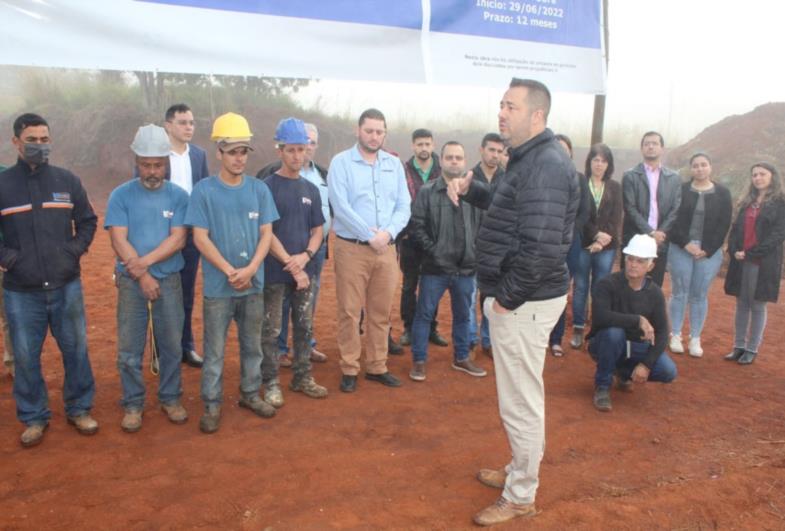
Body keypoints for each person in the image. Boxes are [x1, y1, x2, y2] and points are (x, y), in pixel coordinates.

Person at [448, 79, 579, 526]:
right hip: (524, 298)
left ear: (536, 116)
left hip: (526, 301)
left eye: (511, 106)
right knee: (521, 396)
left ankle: (521, 493)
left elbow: (542, 249)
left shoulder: (545, 163)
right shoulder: (526, 158)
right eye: (500, 104)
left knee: (520, 402)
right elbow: (516, 212)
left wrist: (505, 300)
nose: (501, 113)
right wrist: (474, 191)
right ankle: (518, 468)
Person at [0, 113, 98, 447]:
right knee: (26, 356)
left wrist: (72, 252)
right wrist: (10, 260)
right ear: (16, 142)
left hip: (65, 285)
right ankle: (33, 416)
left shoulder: (67, 181)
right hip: (20, 292)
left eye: (44, 140)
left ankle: (79, 408)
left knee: (76, 350)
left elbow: (87, 221)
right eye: (32, 140)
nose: (39, 146)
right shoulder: (3, 185)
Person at [185, 112, 279, 434]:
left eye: (243, 152)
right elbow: (199, 237)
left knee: (252, 345)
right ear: (219, 152)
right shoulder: (203, 191)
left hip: (252, 284)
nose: (239, 159)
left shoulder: (258, 190)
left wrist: (251, 268)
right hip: (219, 287)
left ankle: (251, 394)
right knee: (214, 350)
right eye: (233, 152)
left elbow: (266, 233)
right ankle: (211, 404)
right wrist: (229, 270)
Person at [105, 124, 190, 432]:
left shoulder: (179, 197)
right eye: (146, 165)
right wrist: (141, 275)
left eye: (158, 164)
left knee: (170, 344)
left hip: (167, 280)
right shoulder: (120, 196)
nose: (153, 171)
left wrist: (145, 267)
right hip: (131, 283)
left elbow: (178, 239)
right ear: (136, 161)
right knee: (129, 348)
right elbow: (118, 239)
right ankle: (133, 403)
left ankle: (170, 397)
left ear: (166, 162)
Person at [328, 108, 410, 393]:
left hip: (386, 249)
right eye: (369, 130)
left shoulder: (393, 165)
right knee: (349, 311)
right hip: (352, 248)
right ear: (358, 130)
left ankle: (377, 365)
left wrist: (388, 233)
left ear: (384, 133)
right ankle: (350, 367)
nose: (374, 136)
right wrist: (368, 235)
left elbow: (404, 205)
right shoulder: (341, 163)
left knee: (381, 312)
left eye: (379, 131)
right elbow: (340, 206)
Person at [260, 118, 328, 407]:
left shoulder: (311, 190)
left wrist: (306, 257)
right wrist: (291, 262)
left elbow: (317, 232)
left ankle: (302, 377)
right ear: (280, 150)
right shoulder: (266, 188)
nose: (297, 156)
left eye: (302, 149)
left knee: (304, 326)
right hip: (276, 273)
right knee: (272, 330)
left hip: (306, 272)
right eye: (291, 150)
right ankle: (271, 382)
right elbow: (266, 233)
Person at [408, 141, 487, 382]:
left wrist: (474, 252)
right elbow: (417, 227)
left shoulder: (476, 192)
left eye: (459, 158)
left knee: (464, 315)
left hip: (466, 269)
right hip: (435, 269)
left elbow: (484, 227)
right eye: (449, 157)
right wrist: (435, 252)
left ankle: (461, 357)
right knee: (424, 314)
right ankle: (419, 361)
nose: (454, 161)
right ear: (440, 161)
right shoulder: (427, 192)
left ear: (465, 162)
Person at [587, 234, 677, 412]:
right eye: (630, 259)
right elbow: (600, 317)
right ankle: (603, 386)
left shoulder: (655, 293)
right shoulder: (607, 284)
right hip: (605, 342)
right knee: (614, 333)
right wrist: (637, 320)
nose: (633, 264)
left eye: (641, 261)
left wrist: (646, 364)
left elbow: (662, 333)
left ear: (651, 266)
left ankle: (621, 372)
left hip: (635, 347)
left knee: (668, 371)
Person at [667, 153, 732, 357]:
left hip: (708, 252)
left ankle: (695, 338)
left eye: (704, 165)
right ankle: (675, 334)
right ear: (690, 169)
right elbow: (672, 219)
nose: (700, 169)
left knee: (699, 295)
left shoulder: (722, 193)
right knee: (680, 292)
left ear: (710, 167)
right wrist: (686, 244)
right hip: (681, 248)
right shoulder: (681, 190)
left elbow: (724, 224)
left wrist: (708, 249)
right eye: (695, 165)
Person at [563, 143, 622, 353]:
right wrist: (594, 236)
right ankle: (578, 329)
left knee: (600, 288)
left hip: (606, 246)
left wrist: (603, 239)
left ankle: (596, 330)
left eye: (603, 161)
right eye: (595, 160)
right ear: (589, 162)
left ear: (609, 164)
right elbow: (581, 215)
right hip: (583, 243)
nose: (599, 164)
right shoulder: (581, 183)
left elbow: (616, 217)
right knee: (580, 287)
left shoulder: (615, 187)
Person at [724, 162, 785, 365]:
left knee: (758, 304)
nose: (757, 178)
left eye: (762, 174)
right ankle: (738, 346)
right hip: (741, 260)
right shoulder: (747, 202)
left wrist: (751, 253)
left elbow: (778, 235)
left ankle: (752, 348)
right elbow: (735, 229)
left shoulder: (780, 203)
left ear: (772, 177)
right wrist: (734, 250)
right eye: (754, 174)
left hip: (762, 261)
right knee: (741, 303)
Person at [163, 103, 210, 368]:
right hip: (163, 235)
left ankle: (186, 346)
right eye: (182, 122)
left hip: (192, 235)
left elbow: (203, 192)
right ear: (168, 125)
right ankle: (162, 350)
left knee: (187, 293)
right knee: (160, 292)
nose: (189, 127)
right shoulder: (155, 155)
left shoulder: (199, 155)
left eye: (191, 122)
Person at [398, 128, 447, 348]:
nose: (424, 148)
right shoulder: (404, 170)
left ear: (433, 145)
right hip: (410, 238)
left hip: (435, 239)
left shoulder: (442, 170)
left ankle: (430, 328)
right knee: (409, 285)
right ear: (413, 146)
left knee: (432, 285)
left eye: (427, 144)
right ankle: (408, 328)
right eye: (419, 144)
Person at [548, 134, 592, 354]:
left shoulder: (580, 179)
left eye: (565, 148)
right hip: (543, 242)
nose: (561, 152)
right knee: (538, 286)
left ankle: (556, 339)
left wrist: (568, 232)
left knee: (561, 290)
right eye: (556, 148)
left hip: (570, 243)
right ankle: (537, 337)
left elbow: (584, 212)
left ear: (571, 153)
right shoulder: (541, 176)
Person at [621, 132, 682, 286]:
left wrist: (660, 234)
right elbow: (630, 207)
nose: (650, 146)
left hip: (660, 242)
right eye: (647, 143)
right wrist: (651, 232)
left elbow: (675, 209)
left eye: (655, 143)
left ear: (662, 148)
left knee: (654, 286)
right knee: (629, 285)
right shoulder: (630, 176)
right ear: (642, 149)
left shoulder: (673, 178)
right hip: (635, 238)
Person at [468, 133, 505, 358]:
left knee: (492, 299)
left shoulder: (508, 178)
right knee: (470, 297)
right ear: (481, 150)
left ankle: (489, 342)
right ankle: (471, 341)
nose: (495, 155)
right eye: (491, 150)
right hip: (472, 248)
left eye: (500, 151)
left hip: (498, 250)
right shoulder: (469, 177)